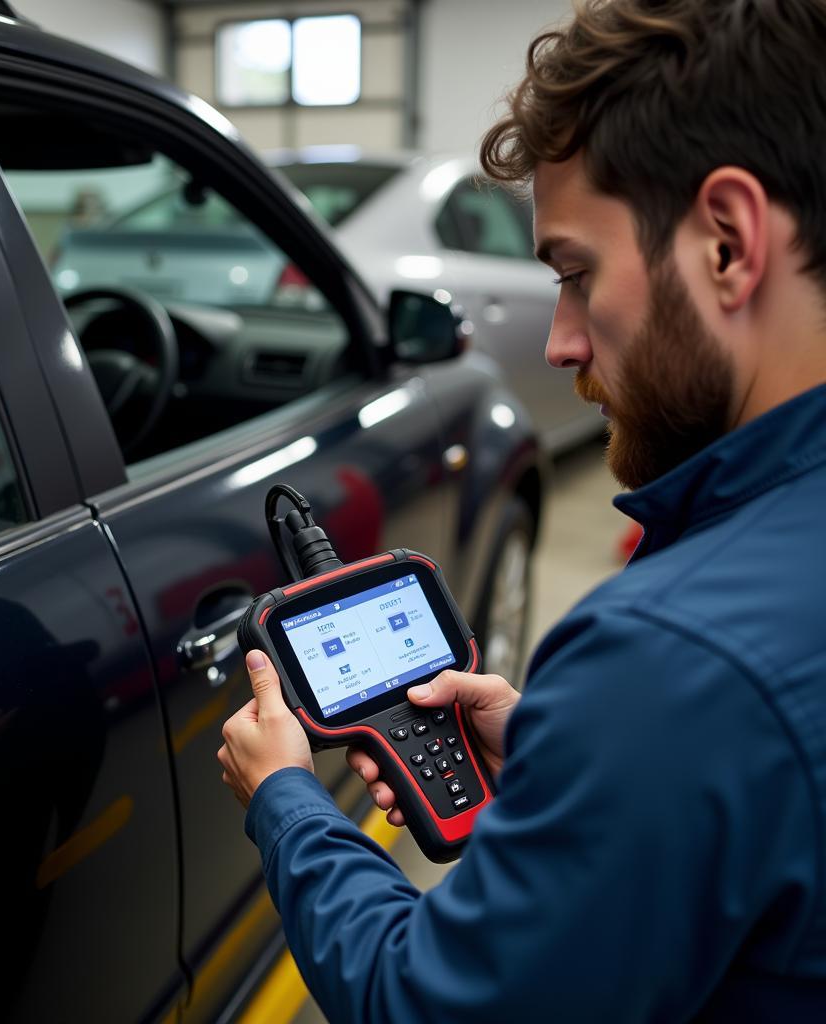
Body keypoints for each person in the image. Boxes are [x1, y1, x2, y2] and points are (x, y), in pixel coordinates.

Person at [218, 1, 826, 1019]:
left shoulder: (665, 658)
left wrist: (285, 805)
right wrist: (586, 759)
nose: (560, 341)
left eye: (577, 276)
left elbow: (427, 1002)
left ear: (727, 241)